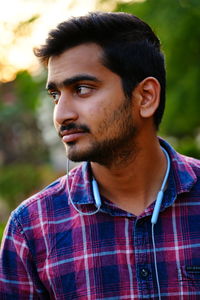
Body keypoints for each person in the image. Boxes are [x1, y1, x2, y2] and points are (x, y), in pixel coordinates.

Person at [0, 12, 200, 300]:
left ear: (145, 97)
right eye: (56, 95)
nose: (62, 114)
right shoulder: (32, 228)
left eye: (82, 89)